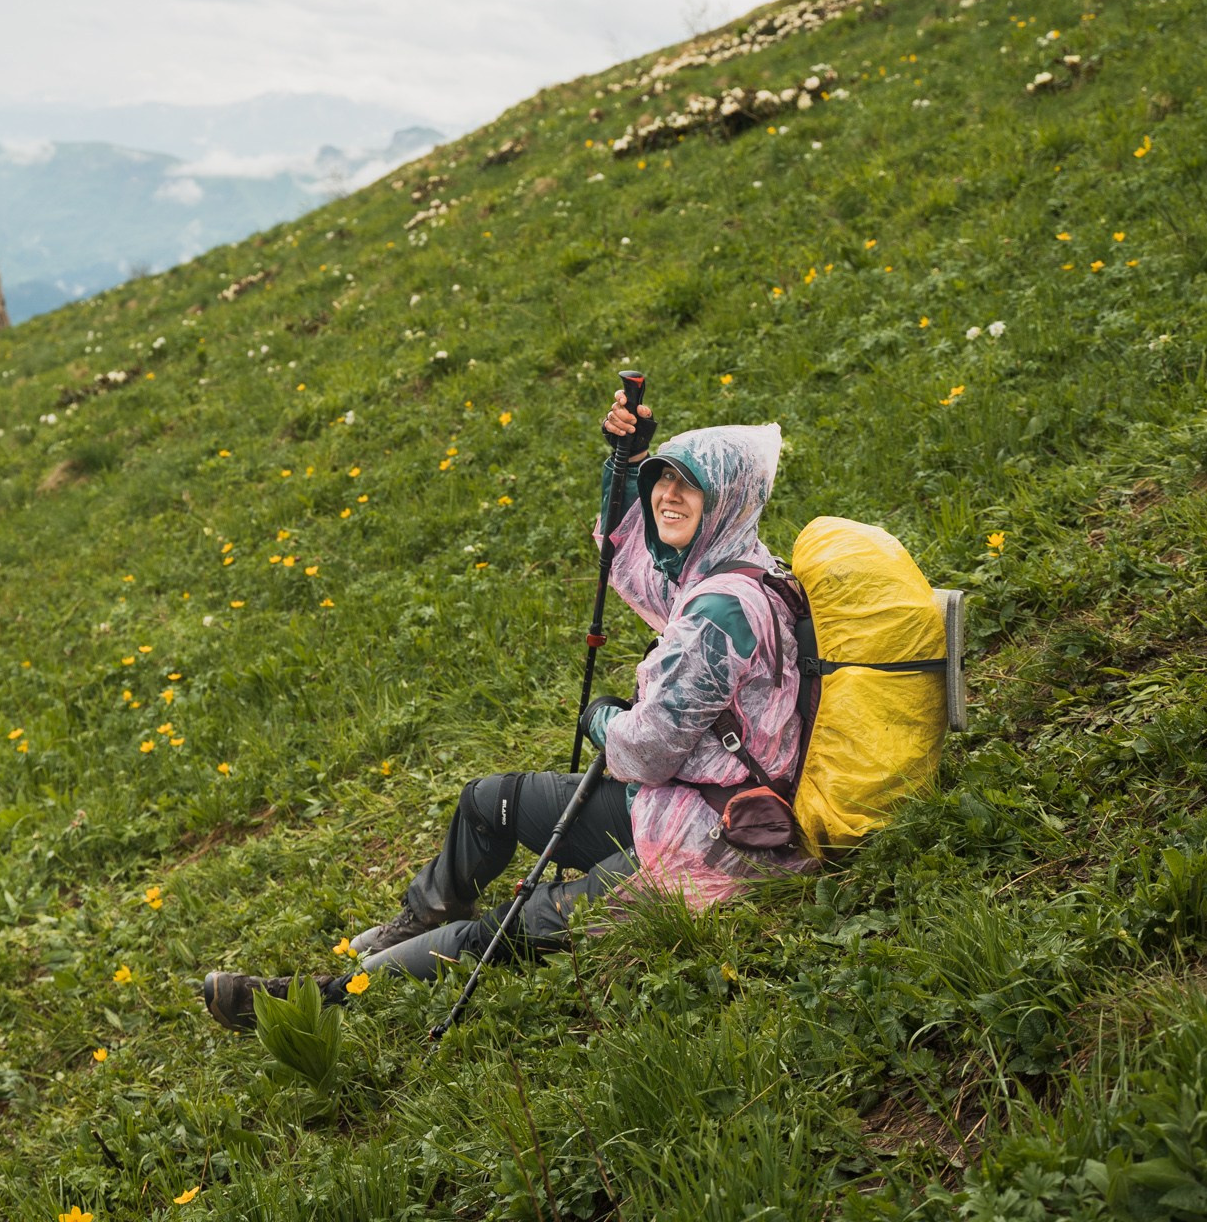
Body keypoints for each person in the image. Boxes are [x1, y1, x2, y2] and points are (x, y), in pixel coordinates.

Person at [201, 395, 816, 1030]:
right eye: (664, 478)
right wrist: (628, 463)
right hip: (670, 806)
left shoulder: (721, 611)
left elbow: (645, 753)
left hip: (707, 847)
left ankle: (317, 1000)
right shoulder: (731, 567)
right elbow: (634, 562)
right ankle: (421, 919)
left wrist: (601, 721)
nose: (668, 495)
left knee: (499, 933)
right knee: (487, 802)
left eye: (691, 484)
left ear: (730, 498)